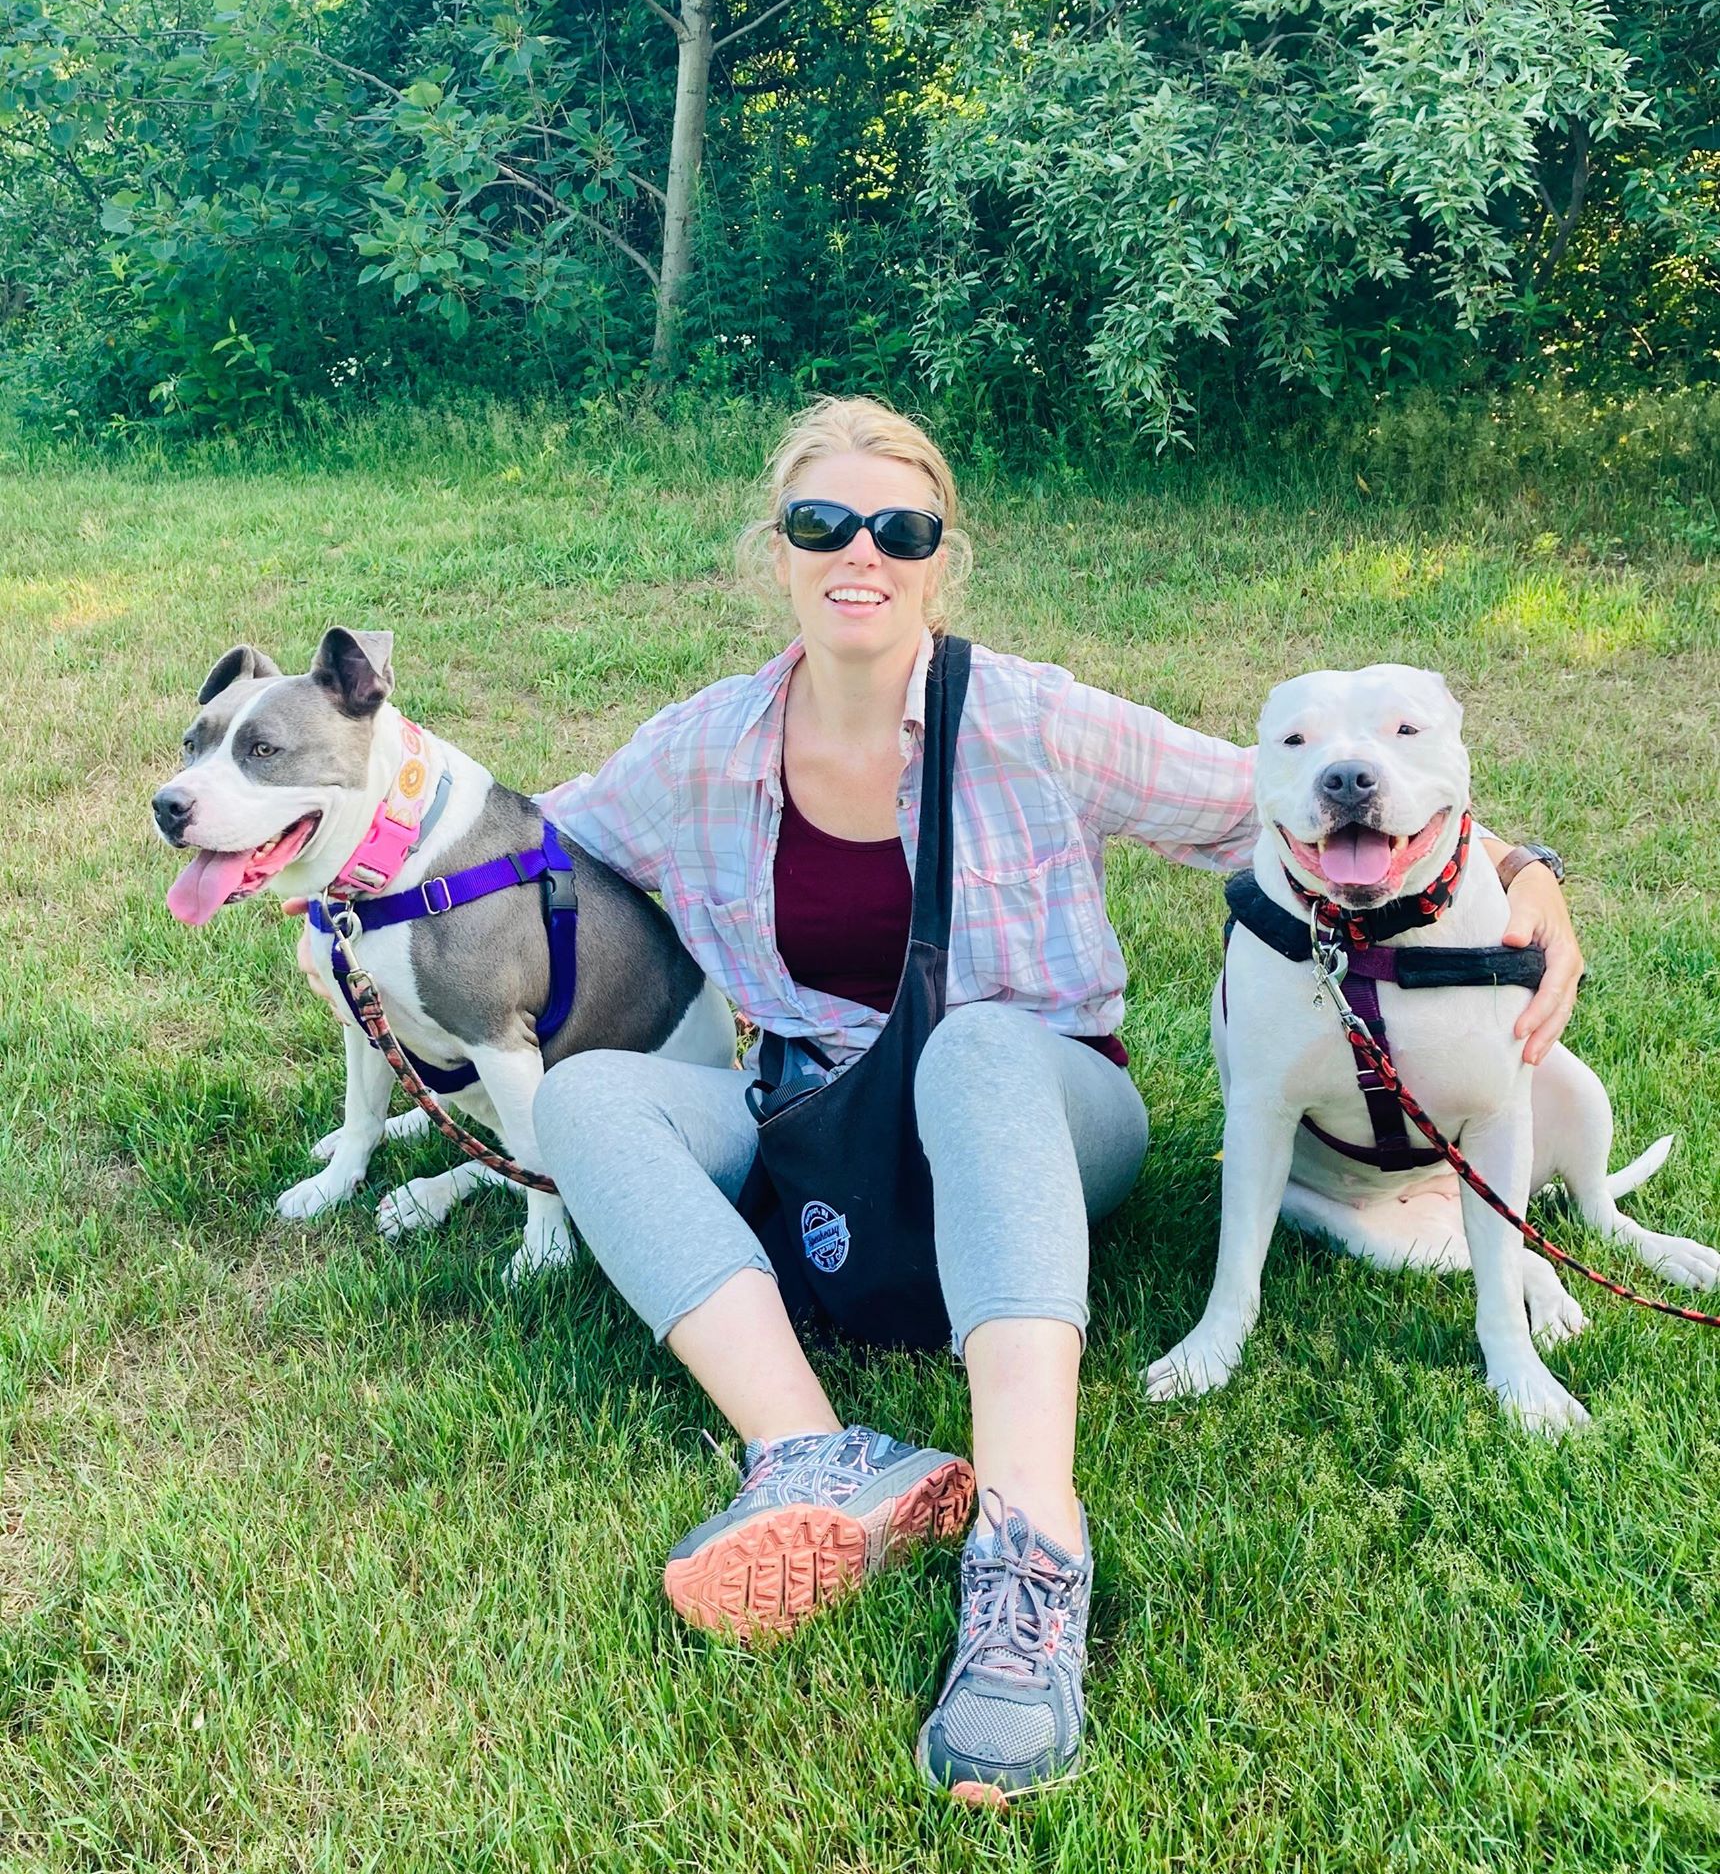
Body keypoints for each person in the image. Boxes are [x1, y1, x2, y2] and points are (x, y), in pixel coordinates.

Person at [314, 397, 1585, 1803]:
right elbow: (535, 845)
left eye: (899, 528)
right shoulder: (702, 749)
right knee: (595, 1100)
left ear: (939, 556)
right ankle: (813, 1455)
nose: (861, 551)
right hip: (821, 1129)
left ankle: (1030, 1546)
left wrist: (1525, 877)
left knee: (974, 1044)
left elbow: (1279, 799)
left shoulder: (1030, 717)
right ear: (777, 550)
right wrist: (349, 832)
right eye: (823, 523)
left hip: (1039, 1111)